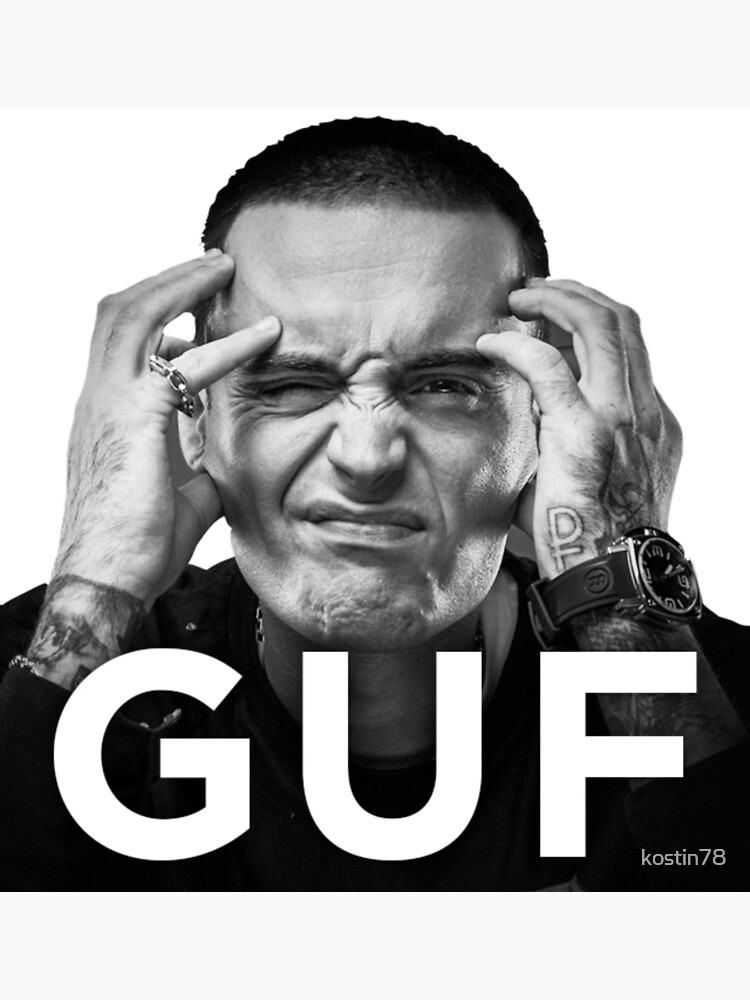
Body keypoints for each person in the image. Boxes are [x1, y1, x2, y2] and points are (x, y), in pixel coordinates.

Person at [0, 117, 748, 890]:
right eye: (292, 385)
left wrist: (616, 591)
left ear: (544, 416)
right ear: (195, 419)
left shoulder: (711, 699)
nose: (366, 457)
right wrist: (98, 577)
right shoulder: (35, 681)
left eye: (445, 387)